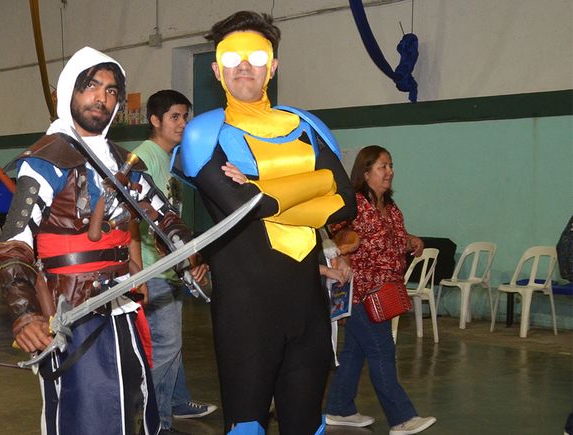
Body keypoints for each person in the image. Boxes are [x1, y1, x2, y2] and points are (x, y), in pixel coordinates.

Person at [173, 11, 356, 434]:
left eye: (256, 57)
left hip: (307, 307)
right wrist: (315, 183)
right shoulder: (204, 133)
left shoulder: (307, 127)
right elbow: (242, 207)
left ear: (272, 67)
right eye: (231, 57)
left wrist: (262, 189)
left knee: (307, 424)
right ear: (216, 70)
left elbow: (346, 203)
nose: (243, 65)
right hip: (246, 312)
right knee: (247, 426)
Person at [0, 47, 160, 434]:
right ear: (70, 91)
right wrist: (24, 313)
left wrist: (185, 250)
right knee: (85, 412)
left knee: (128, 404)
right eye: (91, 87)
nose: (102, 97)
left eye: (111, 91)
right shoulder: (45, 159)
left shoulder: (121, 161)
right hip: (69, 310)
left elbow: (157, 213)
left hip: (120, 305)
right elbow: (14, 243)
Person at [324, 145, 436, 435]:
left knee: (354, 352)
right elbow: (337, 235)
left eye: (391, 165)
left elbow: (387, 236)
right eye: (383, 166)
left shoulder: (390, 206)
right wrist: (344, 252)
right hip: (361, 291)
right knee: (381, 351)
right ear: (365, 172)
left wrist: (410, 240)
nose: (390, 172)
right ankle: (402, 418)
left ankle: (339, 408)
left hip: (385, 291)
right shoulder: (354, 204)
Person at [130, 90, 216, 433]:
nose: (182, 124)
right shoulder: (143, 158)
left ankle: (168, 411)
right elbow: (132, 220)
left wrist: (189, 258)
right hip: (152, 269)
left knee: (170, 346)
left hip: (170, 268)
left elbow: (172, 220)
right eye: (175, 117)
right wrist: (139, 272)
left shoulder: (171, 159)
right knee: (165, 347)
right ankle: (151, 420)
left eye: (185, 117)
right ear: (155, 120)